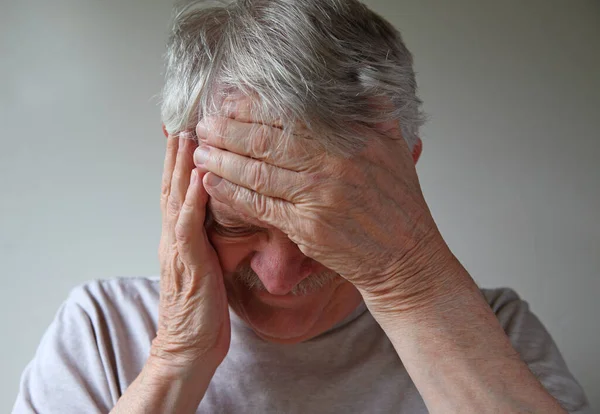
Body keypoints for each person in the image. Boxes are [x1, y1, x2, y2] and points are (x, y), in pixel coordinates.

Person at [13, 0, 591, 413]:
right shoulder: (102, 331)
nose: (280, 275)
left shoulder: (497, 331)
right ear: (178, 184)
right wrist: (176, 360)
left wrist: (409, 280)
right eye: (236, 223)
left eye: (330, 222)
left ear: (402, 180)